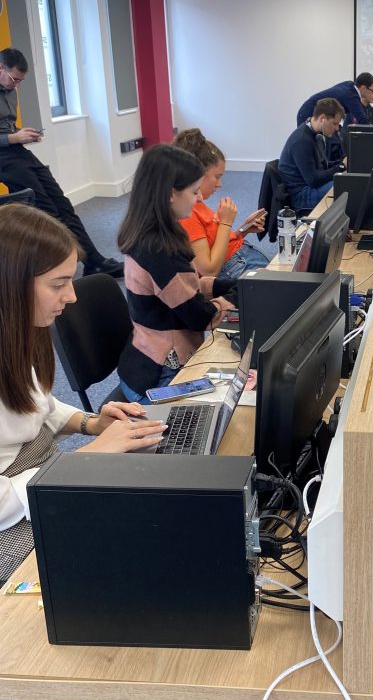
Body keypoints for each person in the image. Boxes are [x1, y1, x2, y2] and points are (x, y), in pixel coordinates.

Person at [0, 204, 165, 545]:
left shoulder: (14, 330)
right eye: (58, 284)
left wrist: (91, 424)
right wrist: (86, 458)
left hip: (40, 473)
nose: (71, 296)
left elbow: (36, 402)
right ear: (9, 284)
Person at [116, 145, 236, 403]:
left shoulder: (157, 233)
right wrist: (230, 302)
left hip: (151, 356)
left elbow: (188, 287)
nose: (199, 199)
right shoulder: (158, 251)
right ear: (171, 194)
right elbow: (199, 316)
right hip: (159, 374)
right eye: (194, 192)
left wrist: (233, 285)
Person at [0, 47, 123, 278]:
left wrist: (23, 134)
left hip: (15, 151)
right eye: (14, 79)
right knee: (45, 208)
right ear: (1, 68)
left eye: (20, 81)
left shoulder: (10, 89)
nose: (16, 85)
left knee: (61, 202)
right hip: (3, 156)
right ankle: (57, 265)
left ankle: (93, 260)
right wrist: (14, 137)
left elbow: (6, 127)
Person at [173, 128, 268, 278]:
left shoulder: (197, 205)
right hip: (234, 267)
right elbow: (209, 270)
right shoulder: (187, 213)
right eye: (217, 177)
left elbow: (216, 244)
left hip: (239, 260)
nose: (219, 184)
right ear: (197, 174)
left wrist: (243, 230)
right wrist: (226, 223)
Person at [278, 97, 346, 211]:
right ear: (323, 118)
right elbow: (313, 180)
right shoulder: (302, 140)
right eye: (334, 123)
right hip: (301, 196)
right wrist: (341, 167)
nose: (336, 128)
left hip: (310, 187)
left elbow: (323, 166)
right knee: (344, 188)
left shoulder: (315, 135)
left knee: (346, 181)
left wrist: (340, 162)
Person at [296, 72, 373, 129]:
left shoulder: (349, 85)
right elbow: (363, 121)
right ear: (363, 88)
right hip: (308, 113)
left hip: (307, 110)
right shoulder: (351, 95)